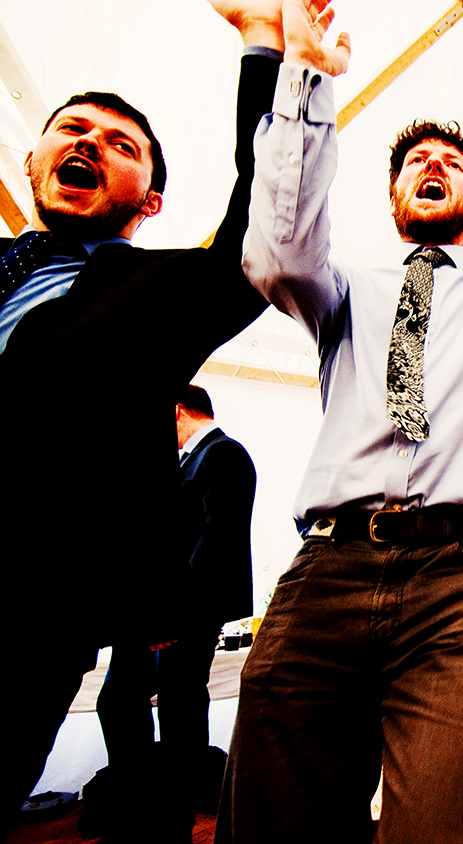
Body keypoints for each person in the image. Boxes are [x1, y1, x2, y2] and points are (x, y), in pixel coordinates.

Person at [216, 0, 463, 841]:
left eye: (451, 161)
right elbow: (274, 252)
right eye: (415, 161)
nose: (431, 162)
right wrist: (305, 76)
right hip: (326, 577)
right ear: (393, 200)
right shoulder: (343, 293)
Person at [0, 6, 280, 828]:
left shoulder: (149, 295)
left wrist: (264, 46)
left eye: (120, 144)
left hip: (28, 614)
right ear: (32, 159)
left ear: (150, 201)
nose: (87, 143)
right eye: (72, 129)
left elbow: (255, 237)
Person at [92, 384, 256, 842]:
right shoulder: (192, 459)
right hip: (164, 612)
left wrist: (171, 610)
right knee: (136, 702)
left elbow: (215, 543)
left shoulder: (224, 454)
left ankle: (164, 815)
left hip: (184, 613)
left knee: (176, 708)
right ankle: (147, 807)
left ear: (179, 410)